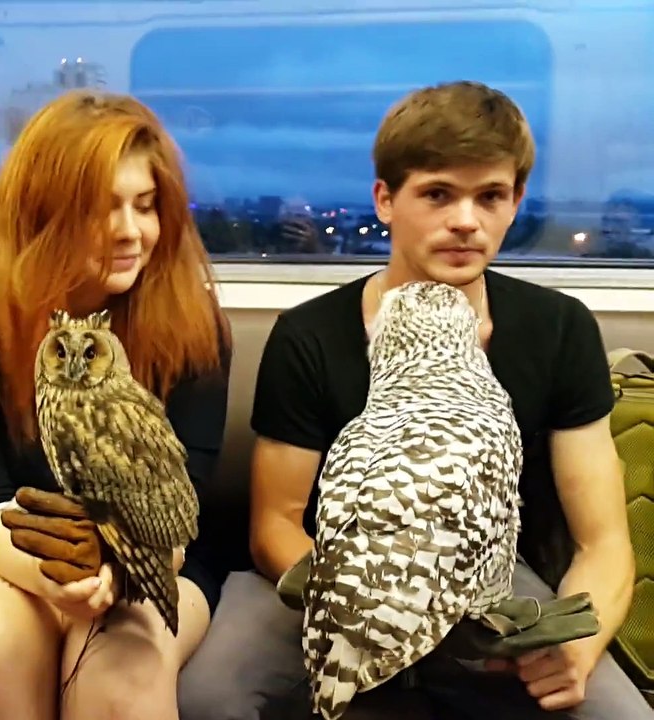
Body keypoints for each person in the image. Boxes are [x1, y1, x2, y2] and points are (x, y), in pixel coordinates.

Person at [177, 80, 649, 719]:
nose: (465, 220)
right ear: (386, 200)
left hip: (485, 580)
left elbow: (603, 542)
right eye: (437, 194)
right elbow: (275, 525)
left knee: (618, 715)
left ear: (516, 204)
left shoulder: (558, 327)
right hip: (339, 574)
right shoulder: (311, 334)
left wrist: (582, 647)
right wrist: (373, 610)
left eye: (491, 197)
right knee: (211, 697)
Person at [0, 89, 233, 720]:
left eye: (145, 206)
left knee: (123, 666)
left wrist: (113, 576)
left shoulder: (194, 328)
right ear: (43, 214)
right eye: (98, 209)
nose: (130, 231)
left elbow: (177, 504)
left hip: (153, 554)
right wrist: (64, 579)